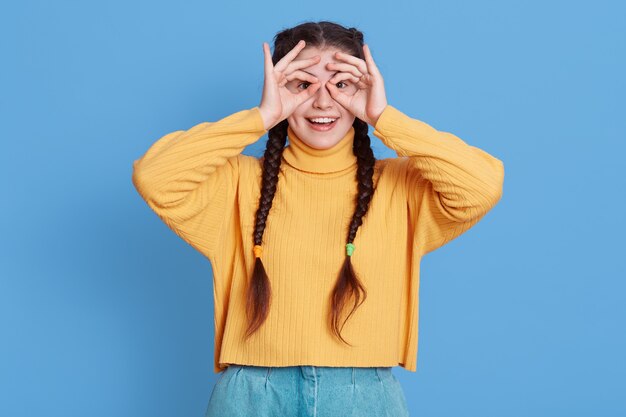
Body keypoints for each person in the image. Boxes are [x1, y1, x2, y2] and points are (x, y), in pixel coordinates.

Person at [132, 20, 504, 417]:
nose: (323, 102)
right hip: (252, 395)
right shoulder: (236, 183)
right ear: (278, 88)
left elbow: (481, 184)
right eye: (303, 84)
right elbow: (154, 176)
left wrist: (383, 117)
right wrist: (260, 117)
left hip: (363, 395)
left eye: (341, 84)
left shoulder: (401, 185)